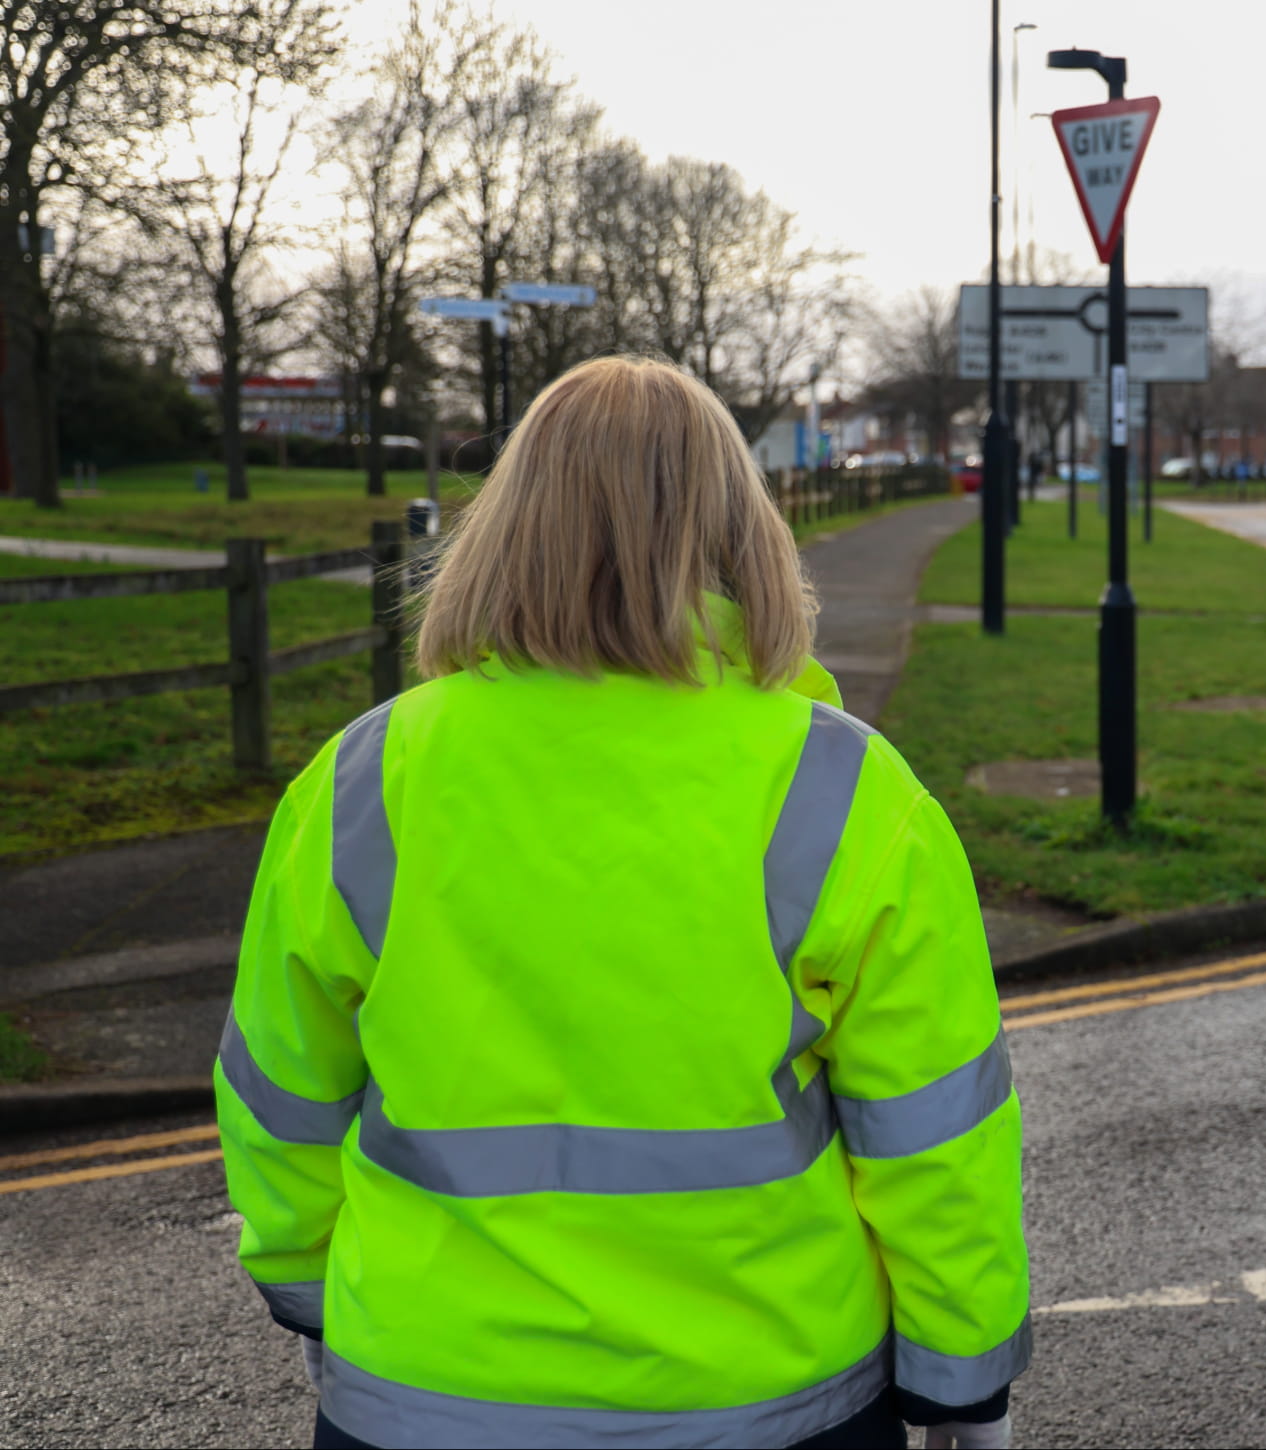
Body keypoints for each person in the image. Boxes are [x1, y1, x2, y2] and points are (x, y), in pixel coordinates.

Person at [214, 356, 1030, 1450]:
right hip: (767, 1396)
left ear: (507, 523)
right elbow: (933, 1129)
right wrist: (961, 1378)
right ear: (741, 529)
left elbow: (281, 1093)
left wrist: (310, 1294)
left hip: (423, 1388)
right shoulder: (842, 786)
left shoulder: (366, 778)